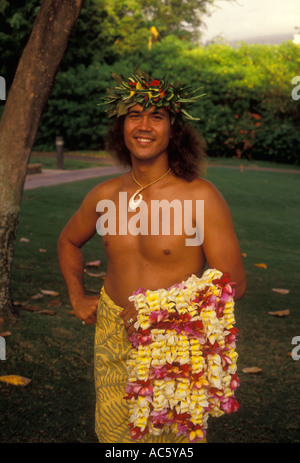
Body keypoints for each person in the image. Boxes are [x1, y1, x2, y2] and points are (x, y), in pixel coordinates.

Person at [57, 69, 246, 444]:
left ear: (174, 131)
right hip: (112, 331)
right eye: (134, 114)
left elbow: (233, 284)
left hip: (173, 343)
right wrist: (77, 296)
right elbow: (68, 241)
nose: (144, 125)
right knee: (114, 440)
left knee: (167, 441)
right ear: (121, 127)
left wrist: (158, 308)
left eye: (156, 116)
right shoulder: (105, 195)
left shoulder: (200, 197)